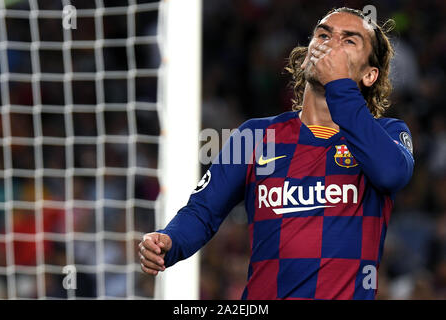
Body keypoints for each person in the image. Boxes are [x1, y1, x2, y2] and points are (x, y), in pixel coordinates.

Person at [138, 7, 414, 300]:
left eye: (348, 41)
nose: (329, 43)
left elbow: (391, 173)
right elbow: (202, 211)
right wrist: (170, 241)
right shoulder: (254, 136)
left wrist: (339, 86)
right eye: (323, 34)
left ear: (370, 75)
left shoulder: (388, 134)